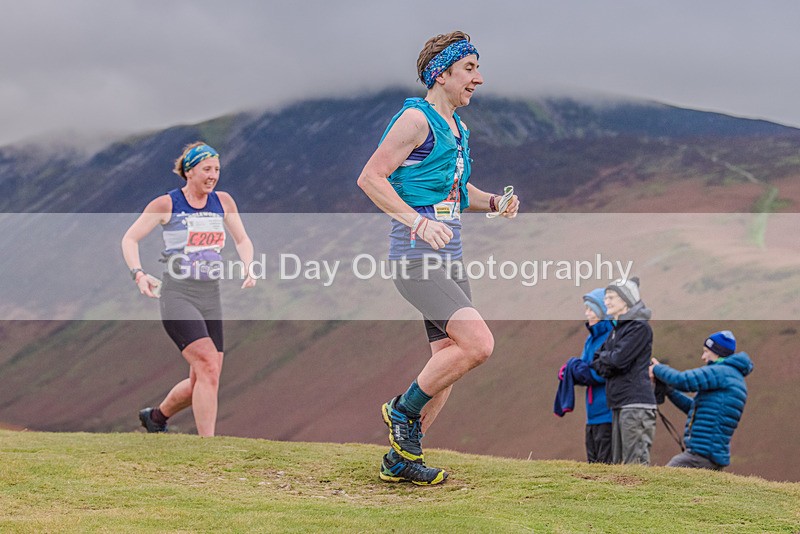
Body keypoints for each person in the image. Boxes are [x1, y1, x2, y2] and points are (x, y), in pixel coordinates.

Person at [357, 31, 519, 485]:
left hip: (450, 257)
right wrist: (416, 222)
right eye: (469, 69)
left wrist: (492, 203)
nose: (478, 79)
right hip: (415, 258)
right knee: (479, 344)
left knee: (447, 362)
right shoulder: (415, 119)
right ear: (441, 73)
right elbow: (370, 178)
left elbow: (454, 191)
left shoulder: (457, 128)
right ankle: (401, 410)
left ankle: (400, 461)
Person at [121, 141, 256, 437]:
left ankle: (156, 417)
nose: (213, 175)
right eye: (207, 169)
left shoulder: (223, 202)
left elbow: (242, 239)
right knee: (207, 363)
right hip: (177, 294)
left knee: (206, 376)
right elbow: (130, 239)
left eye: (217, 169)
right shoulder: (166, 204)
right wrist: (138, 273)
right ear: (189, 171)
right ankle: (207, 447)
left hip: (210, 295)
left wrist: (248, 265)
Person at [649, 331, 753, 470]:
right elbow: (694, 408)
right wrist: (669, 390)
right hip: (709, 455)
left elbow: (682, 380)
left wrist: (657, 368)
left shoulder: (722, 372)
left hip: (700, 456)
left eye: (706, 351)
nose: (703, 357)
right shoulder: (731, 376)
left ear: (717, 352)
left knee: (660, 480)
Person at [590, 277, 657, 465]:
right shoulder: (616, 330)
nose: (606, 302)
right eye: (606, 297)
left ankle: (641, 496)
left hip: (636, 404)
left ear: (626, 300)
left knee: (634, 465)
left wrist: (609, 359)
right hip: (620, 403)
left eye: (611, 297)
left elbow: (618, 360)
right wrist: (608, 359)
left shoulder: (639, 328)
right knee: (619, 466)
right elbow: (596, 360)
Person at [554, 289, 614, 463]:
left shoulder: (610, 336)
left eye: (591, 309)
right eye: (586, 309)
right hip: (592, 413)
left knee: (606, 465)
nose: (587, 313)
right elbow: (584, 370)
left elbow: (603, 372)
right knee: (593, 463)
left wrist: (581, 371)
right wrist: (569, 372)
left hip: (607, 412)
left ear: (602, 310)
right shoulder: (591, 339)